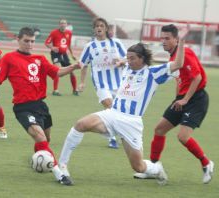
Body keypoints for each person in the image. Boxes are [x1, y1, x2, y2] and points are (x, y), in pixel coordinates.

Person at [58, 27, 188, 185]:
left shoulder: (153, 73)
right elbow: (120, 62)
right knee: (81, 124)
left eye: (132, 58)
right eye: (128, 58)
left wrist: (180, 43)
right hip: (112, 114)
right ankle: (62, 166)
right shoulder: (127, 68)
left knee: (138, 167)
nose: (129, 61)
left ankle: (156, 169)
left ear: (142, 59)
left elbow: (179, 63)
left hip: (131, 122)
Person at [0, 27, 81, 185]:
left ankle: (38, 160)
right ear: (18, 40)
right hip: (23, 107)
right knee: (40, 137)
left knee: (44, 141)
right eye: (26, 41)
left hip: (41, 106)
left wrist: (72, 67)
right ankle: (60, 174)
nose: (30, 44)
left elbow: (56, 72)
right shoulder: (9, 58)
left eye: (32, 41)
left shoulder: (40, 59)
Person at [133, 24, 214, 184]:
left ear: (176, 40)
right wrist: (179, 97)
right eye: (162, 38)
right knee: (159, 129)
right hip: (182, 98)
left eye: (167, 38)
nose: (163, 41)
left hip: (196, 99)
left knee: (182, 137)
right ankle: (154, 168)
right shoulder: (173, 57)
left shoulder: (186, 54)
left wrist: (184, 100)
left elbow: (197, 78)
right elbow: (180, 78)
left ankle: (206, 163)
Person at [78, 18, 127, 149]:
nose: (99, 28)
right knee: (110, 108)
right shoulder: (90, 46)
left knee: (119, 111)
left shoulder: (116, 43)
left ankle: (120, 133)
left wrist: (122, 61)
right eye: (96, 26)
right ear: (94, 29)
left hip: (118, 83)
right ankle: (112, 138)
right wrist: (82, 82)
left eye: (101, 26)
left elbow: (128, 57)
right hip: (101, 84)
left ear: (106, 28)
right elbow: (83, 65)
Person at [45, 18, 78, 96]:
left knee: (71, 71)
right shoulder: (54, 32)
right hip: (55, 54)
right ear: (59, 24)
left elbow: (68, 44)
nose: (63, 24)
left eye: (64, 23)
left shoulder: (69, 33)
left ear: (66, 25)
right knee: (57, 70)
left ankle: (75, 90)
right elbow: (46, 42)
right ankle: (55, 90)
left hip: (64, 54)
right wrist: (52, 48)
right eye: (61, 23)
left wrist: (72, 54)